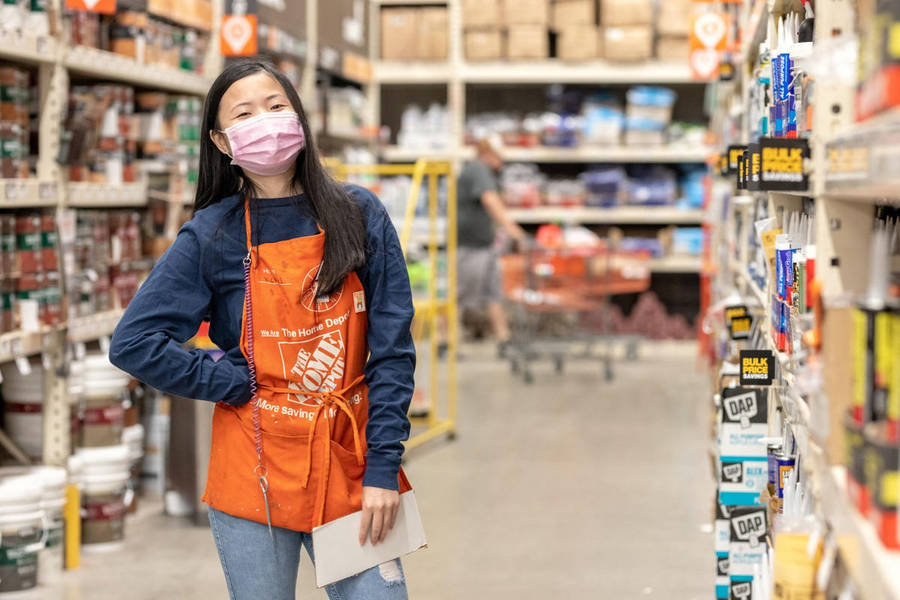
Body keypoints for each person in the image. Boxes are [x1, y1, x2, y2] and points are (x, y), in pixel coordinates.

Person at [109, 59, 415, 600]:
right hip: (255, 460)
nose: (266, 121)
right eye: (244, 114)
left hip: (346, 456)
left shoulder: (360, 213)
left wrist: (384, 467)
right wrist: (223, 380)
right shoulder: (213, 233)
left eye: (277, 106)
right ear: (223, 142)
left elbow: (392, 352)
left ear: (299, 116)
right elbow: (134, 342)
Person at [457, 136, 527, 349]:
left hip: (484, 246)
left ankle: (503, 338)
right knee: (458, 295)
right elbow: (490, 201)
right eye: (499, 156)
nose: (502, 162)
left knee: (492, 294)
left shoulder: (482, 172)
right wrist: (515, 231)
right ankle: (446, 342)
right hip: (470, 248)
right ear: (488, 153)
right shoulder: (478, 169)